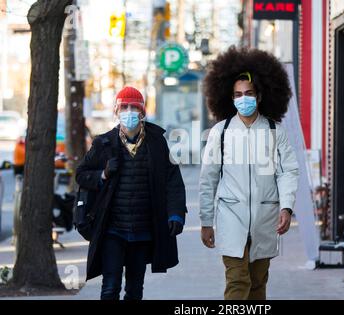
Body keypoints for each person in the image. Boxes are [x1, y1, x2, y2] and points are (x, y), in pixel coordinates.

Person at [199, 47, 299, 300]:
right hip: (231, 217)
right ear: (229, 98)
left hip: (266, 219)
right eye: (237, 95)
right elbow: (208, 179)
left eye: (248, 93)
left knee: (257, 283)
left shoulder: (275, 132)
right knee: (237, 281)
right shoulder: (220, 133)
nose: (243, 99)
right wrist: (206, 221)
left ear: (260, 95)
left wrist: (286, 207)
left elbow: (288, 171)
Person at [76, 86, 187, 300]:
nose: (129, 111)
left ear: (142, 112)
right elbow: (81, 174)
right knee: (110, 287)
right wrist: (103, 174)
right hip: (112, 230)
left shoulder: (157, 142)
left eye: (133, 107)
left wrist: (175, 214)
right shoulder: (103, 143)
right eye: (124, 107)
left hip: (143, 230)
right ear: (117, 111)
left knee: (135, 289)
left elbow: (173, 180)